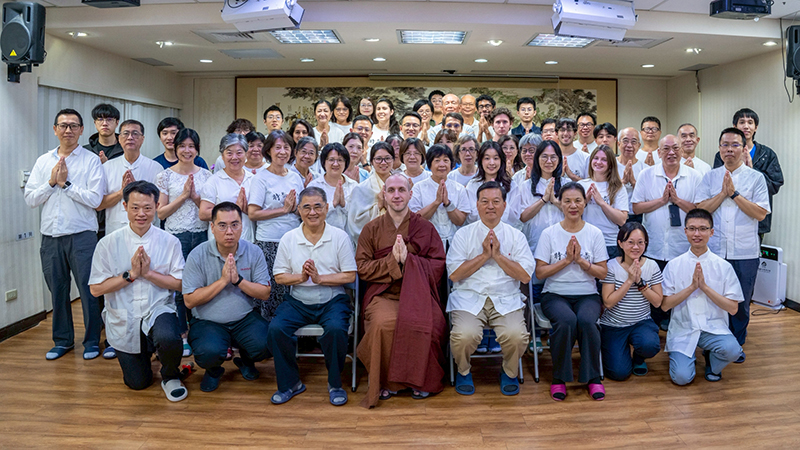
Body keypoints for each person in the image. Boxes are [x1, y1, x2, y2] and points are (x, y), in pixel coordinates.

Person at [88, 181, 186, 401]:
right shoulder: (107, 244)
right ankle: (147, 354)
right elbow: (95, 289)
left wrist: (148, 274)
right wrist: (130, 275)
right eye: (135, 207)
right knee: (138, 383)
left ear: (157, 206)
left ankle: (170, 375)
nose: (141, 214)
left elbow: (180, 284)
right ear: (124, 206)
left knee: (168, 337)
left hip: (158, 309)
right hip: (124, 314)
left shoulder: (170, 241)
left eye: (147, 208)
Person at [356, 174, 447, 407]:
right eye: (391, 190)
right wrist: (392, 262)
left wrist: (409, 262)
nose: (396, 195)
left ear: (410, 194)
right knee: (382, 324)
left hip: (419, 293)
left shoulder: (425, 228)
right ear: (384, 195)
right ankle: (387, 382)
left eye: (401, 190)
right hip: (384, 294)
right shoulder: (371, 229)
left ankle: (422, 381)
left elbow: (438, 265)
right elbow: (363, 268)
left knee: (431, 324)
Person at [25, 108, 106, 360]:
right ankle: (62, 341)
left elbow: (96, 199)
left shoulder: (91, 160)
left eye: (73, 126)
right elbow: (30, 199)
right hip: (51, 237)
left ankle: (91, 341)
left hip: (82, 236)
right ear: (55, 130)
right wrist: (51, 182)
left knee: (88, 291)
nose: (68, 130)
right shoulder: (43, 161)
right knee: (58, 291)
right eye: (63, 125)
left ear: (81, 130)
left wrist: (66, 184)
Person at [269, 187, 357, 405]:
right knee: (276, 329)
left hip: (333, 300)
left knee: (335, 329)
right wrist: (301, 277)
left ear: (326, 208)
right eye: (306, 207)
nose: (312, 212)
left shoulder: (340, 237)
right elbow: (279, 276)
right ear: (299, 210)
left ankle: (335, 384)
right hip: (298, 300)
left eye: (318, 206)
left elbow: (350, 275)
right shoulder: (289, 238)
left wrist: (320, 279)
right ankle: (290, 383)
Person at [447, 181, 533, 396]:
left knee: (517, 336)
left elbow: (525, 276)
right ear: (477, 205)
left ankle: (509, 372)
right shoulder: (463, 234)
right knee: (464, 335)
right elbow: (454, 274)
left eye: (496, 201)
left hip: (506, 297)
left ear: (504, 205)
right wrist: (485, 256)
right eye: (484, 201)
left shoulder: (516, 236)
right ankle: (463, 371)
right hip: (469, 296)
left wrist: (498, 256)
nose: (490, 206)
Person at [696, 127, 769, 361]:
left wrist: (735, 194)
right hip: (715, 250)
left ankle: (736, 345)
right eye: (725, 145)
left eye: (735, 145)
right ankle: (713, 343)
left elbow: (760, 213)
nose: (729, 149)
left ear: (744, 148)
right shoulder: (710, 177)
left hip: (745, 251)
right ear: (719, 148)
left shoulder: (756, 178)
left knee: (740, 301)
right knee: (713, 300)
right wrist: (722, 194)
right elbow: (700, 210)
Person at [183, 202, 272, 392]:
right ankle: (214, 370)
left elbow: (265, 293)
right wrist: (223, 281)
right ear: (212, 227)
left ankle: (246, 361)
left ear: (242, 226)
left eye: (234, 225)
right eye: (222, 225)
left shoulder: (253, 251)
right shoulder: (197, 254)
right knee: (208, 352)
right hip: (208, 321)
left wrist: (238, 280)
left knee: (267, 344)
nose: (229, 232)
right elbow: (189, 301)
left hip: (244, 318)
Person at [534, 182, 608, 401]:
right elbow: (540, 273)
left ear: (585, 203)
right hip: (554, 294)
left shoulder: (594, 233)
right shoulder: (549, 234)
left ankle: (593, 377)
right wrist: (566, 261)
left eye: (577, 201)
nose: (573, 205)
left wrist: (581, 262)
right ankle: (559, 378)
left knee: (587, 321)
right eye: (567, 201)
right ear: (560, 203)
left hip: (587, 294)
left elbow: (602, 273)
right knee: (566, 321)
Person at [661, 209, 744, 385]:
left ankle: (713, 364)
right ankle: (683, 359)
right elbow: (665, 305)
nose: (697, 234)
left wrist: (704, 287)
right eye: (692, 228)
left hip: (713, 328)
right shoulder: (674, 265)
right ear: (685, 231)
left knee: (733, 351)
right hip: (683, 328)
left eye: (703, 229)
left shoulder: (723, 266)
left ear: (711, 232)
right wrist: (692, 287)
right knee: (681, 378)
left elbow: (733, 308)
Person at [631, 134, 702, 329]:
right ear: (659, 152)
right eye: (666, 149)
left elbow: (699, 210)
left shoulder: (694, 176)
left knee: (678, 291)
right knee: (653, 291)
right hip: (653, 246)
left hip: (681, 247)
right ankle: (652, 327)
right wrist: (662, 201)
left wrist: (677, 201)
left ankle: (676, 327)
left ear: (682, 150)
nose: (671, 152)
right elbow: (636, 207)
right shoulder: (646, 175)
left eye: (675, 148)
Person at [156, 127, 212, 354]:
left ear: (197, 149)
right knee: (179, 287)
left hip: (202, 235)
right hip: (176, 237)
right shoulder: (165, 175)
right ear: (175, 148)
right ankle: (183, 334)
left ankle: (202, 331)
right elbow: (161, 213)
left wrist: (196, 197)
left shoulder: (207, 175)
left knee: (202, 285)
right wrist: (183, 196)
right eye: (182, 146)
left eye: (191, 146)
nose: (187, 151)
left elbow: (209, 211)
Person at [512, 139, 566, 353]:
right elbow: (523, 216)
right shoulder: (525, 186)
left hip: (562, 248)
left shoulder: (567, 184)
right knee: (534, 292)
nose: (549, 161)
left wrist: (556, 201)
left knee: (556, 291)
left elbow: (575, 212)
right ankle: (534, 335)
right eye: (544, 156)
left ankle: (554, 334)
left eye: (553, 157)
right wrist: (544, 200)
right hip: (534, 245)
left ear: (559, 160)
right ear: (537, 159)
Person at [248, 130, 305, 321]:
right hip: (269, 241)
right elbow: (253, 213)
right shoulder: (260, 178)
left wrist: (295, 209)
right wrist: (283, 209)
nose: (282, 152)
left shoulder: (295, 177)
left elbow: (299, 210)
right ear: (269, 151)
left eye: (286, 147)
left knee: (293, 290)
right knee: (272, 291)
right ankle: (269, 331)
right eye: (277, 147)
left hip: (294, 241)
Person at [599, 223, 662, 380]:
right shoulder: (611, 266)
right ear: (620, 243)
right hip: (614, 325)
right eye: (630, 242)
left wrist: (640, 283)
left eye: (640, 242)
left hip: (641, 322)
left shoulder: (652, 266)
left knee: (650, 345)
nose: (636, 247)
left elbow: (657, 302)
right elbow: (608, 302)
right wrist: (629, 281)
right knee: (619, 373)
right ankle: (620, 350)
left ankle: (639, 358)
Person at [711, 108, 783, 240]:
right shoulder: (723, 154)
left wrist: (752, 169)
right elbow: (716, 184)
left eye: (750, 122)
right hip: (727, 217)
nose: (746, 126)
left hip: (756, 219)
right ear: (735, 126)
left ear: (756, 127)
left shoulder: (767, 154)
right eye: (742, 122)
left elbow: (774, 185)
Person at [97, 120, 162, 236]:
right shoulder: (107, 167)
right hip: (115, 232)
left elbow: (160, 205)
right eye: (126, 133)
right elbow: (99, 205)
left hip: (148, 233)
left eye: (135, 134)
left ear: (142, 139)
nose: (130, 137)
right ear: (119, 138)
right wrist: (122, 192)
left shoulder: (156, 168)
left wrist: (139, 194)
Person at [409, 145, 470, 247]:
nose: (442, 164)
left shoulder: (459, 189)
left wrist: (448, 204)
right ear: (429, 165)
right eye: (437, 160)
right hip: (427, 243)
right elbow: (416, 219)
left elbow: (461, 221)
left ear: (451, 165)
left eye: (446, 160)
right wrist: (436, 203)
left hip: (454, 243)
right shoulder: (418, 188)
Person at [199, 133, 256, 243]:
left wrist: (248, 210)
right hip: (221, 243)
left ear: (246, 154)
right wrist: (235, 208)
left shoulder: (253, 180)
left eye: (239, 153)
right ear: (222, 156)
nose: (234, 157)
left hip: (248, 241)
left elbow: (259, 211)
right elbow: (203, 213)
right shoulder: (213, 181)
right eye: (229, 153)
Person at [578, 145, 628, 258]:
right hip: (585, 241)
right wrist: (585, 201)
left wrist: (602, 203)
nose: (598, 162)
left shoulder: (618, 187)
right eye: (596, 158)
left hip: (609, 243)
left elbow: (622, 220)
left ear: (610, 164)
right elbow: (571, 214)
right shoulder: (581, 185)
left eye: (604, 160)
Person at [347, 142, 396, 241]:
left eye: (387, 158)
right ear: (371, 162)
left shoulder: (400, 186)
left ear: (393, 160)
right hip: (372, 243)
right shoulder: (361, 189)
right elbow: (354, 223)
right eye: (378, 159)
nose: (383, 163)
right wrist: (378, 206)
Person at [308, 142, 359, 231]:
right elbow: (310, 215)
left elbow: (358, 215)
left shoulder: (353, 186)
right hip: (321, 235)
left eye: (340, 160)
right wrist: (333, 204)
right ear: (324, 162)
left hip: (348, 236)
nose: (335, 164)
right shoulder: (314, 187)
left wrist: (344, 205)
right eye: (331, 160)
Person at [465, 141, 514, 225]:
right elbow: (471, 217)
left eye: (495, 158)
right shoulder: (473, 185)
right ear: (481, 161)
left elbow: (515, 217)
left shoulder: (511, 184)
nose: (491, 163)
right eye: (487, 158)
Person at [617, 127, 645, 223]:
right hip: (615, 215)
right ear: (618, 144)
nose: (629, 145)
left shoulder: (645, 169)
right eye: (625, 141)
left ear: (639, 145)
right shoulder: (609, 166)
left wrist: (633, 182)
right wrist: (622, 183)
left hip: (638, 216)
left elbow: (648, 197)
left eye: (633, 142)